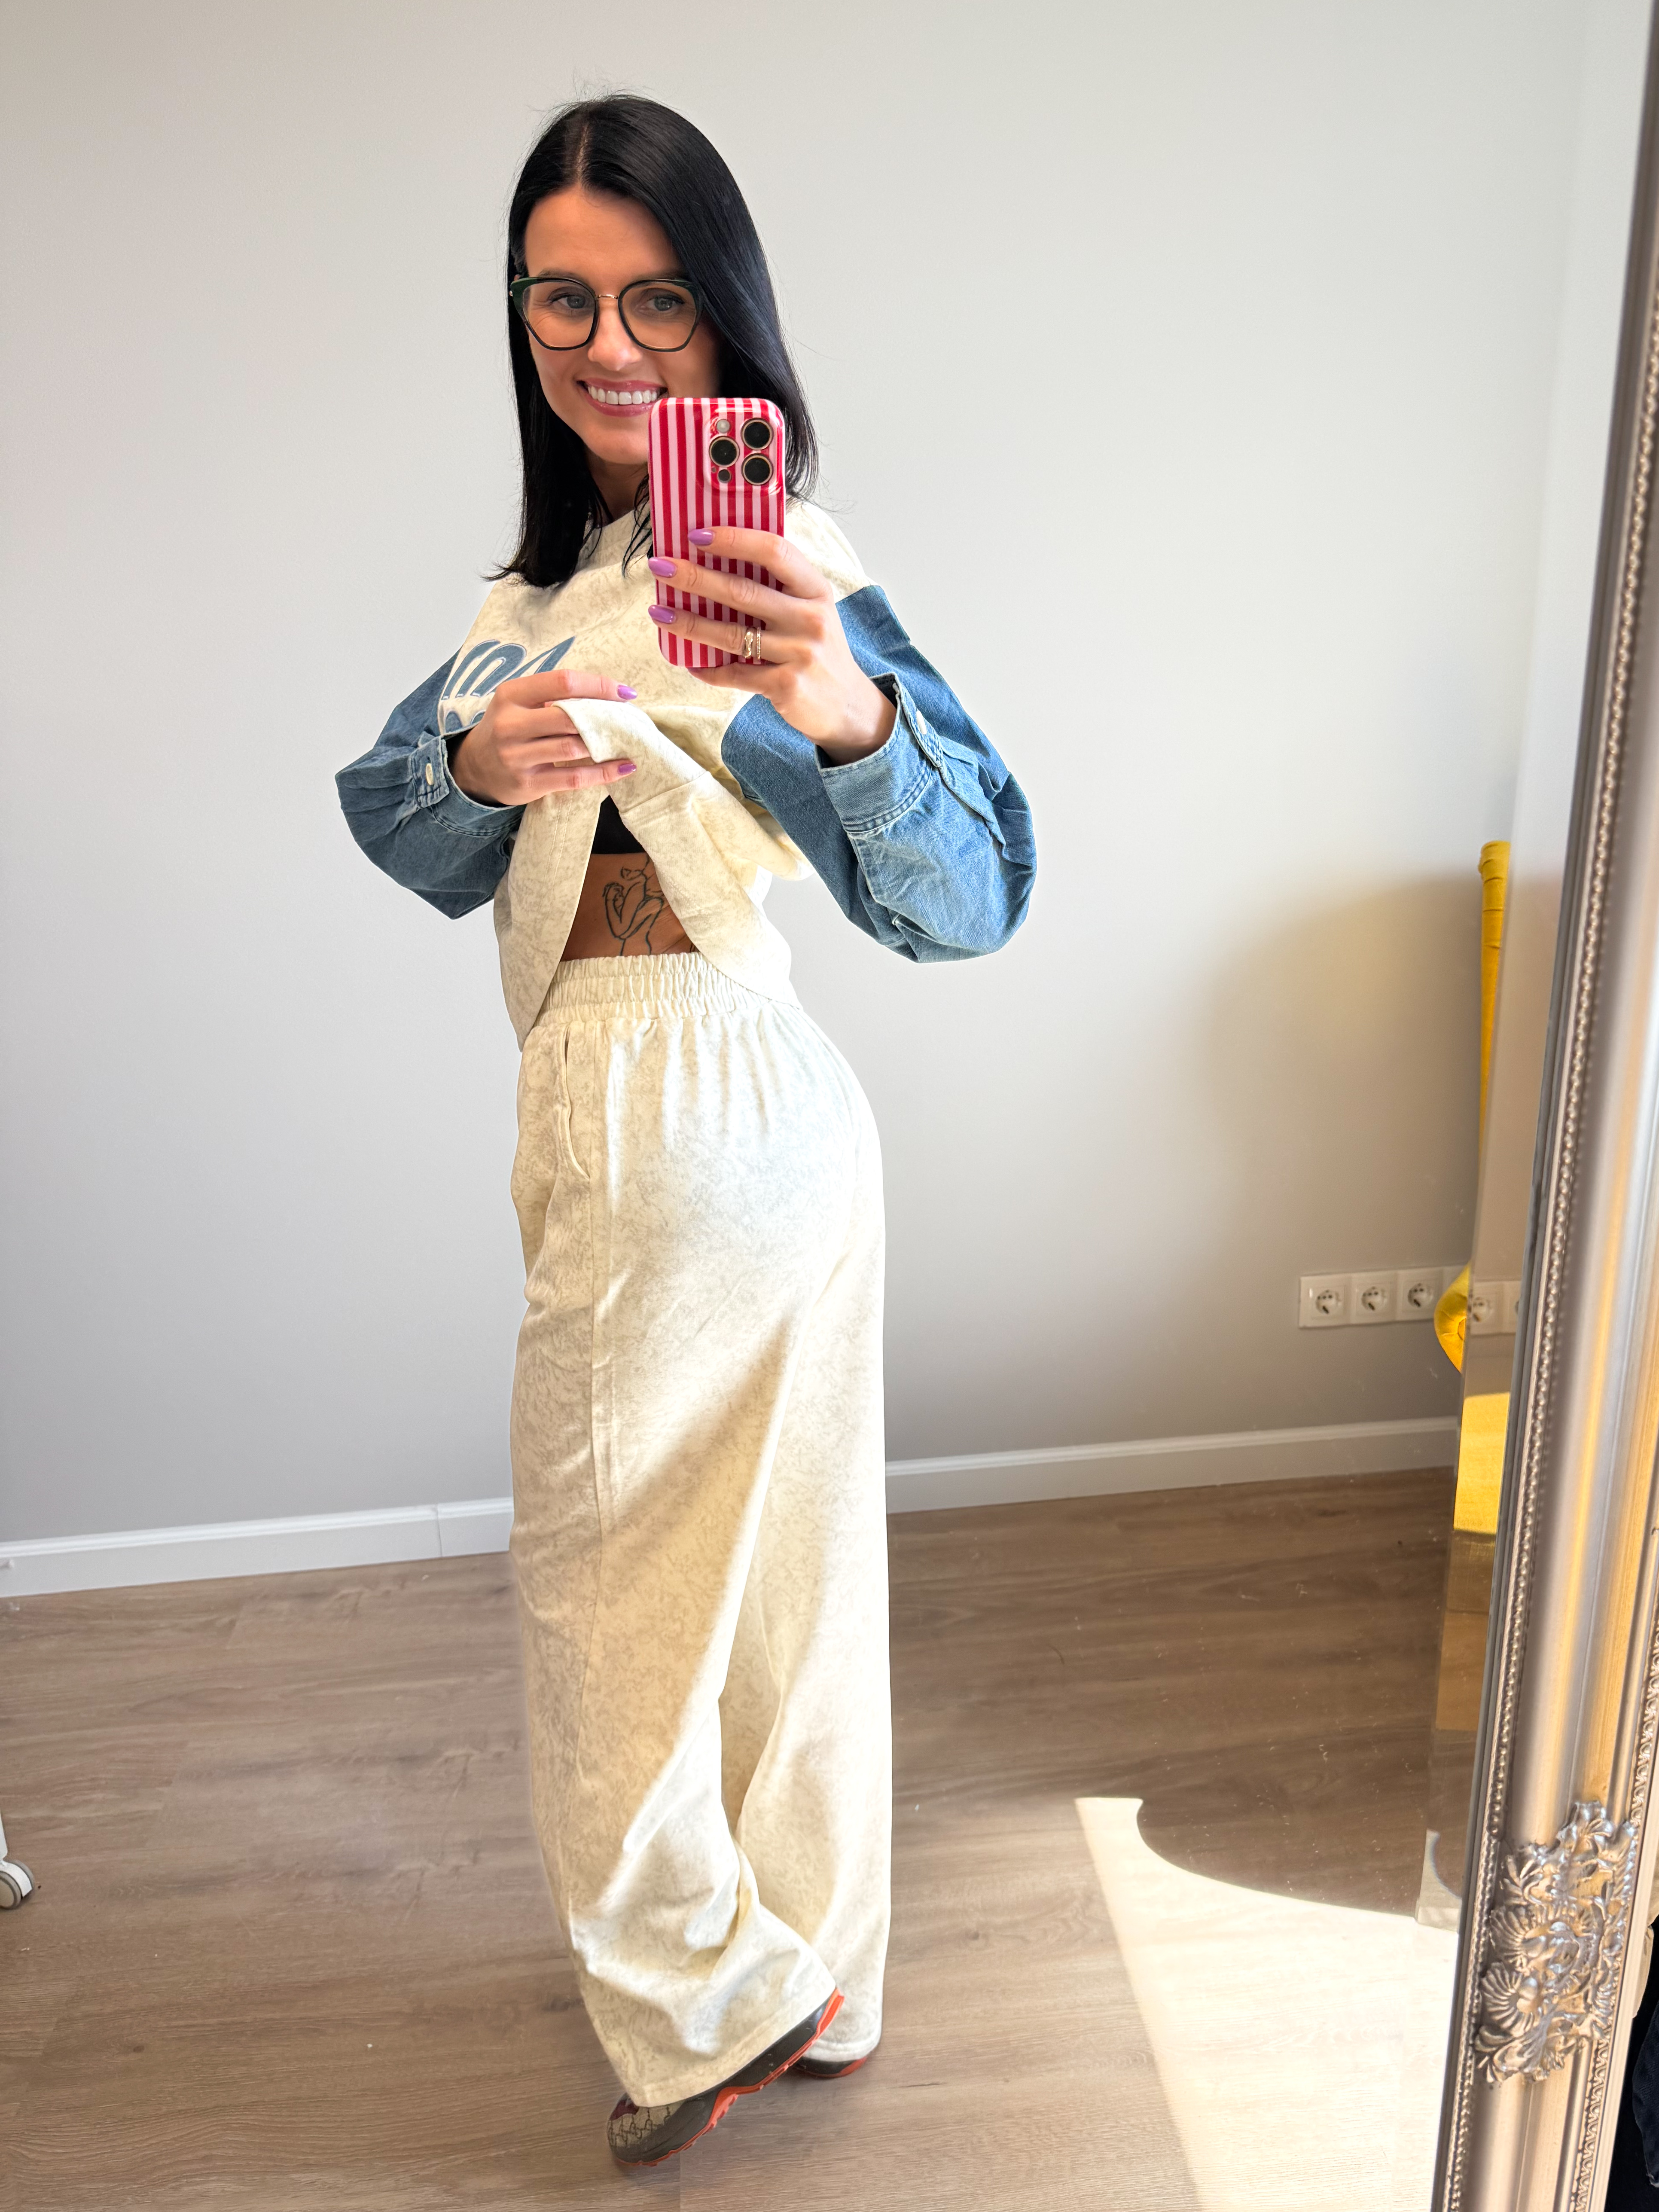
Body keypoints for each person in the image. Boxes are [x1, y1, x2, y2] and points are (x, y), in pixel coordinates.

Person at [335, 93, 1034, 2168]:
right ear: (521, 317)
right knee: (785, 1585)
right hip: (733, 1121)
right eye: (563, 301)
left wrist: (848, 713)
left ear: (727, 317)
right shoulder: (526, 600)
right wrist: (477, 758)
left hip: (686, 1096)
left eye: (658, 301)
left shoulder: (789, 570)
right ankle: (824, 1974)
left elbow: (974, 893)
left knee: (601, 1592)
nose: (609, 346)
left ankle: (699, 2000)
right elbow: (396, 821)